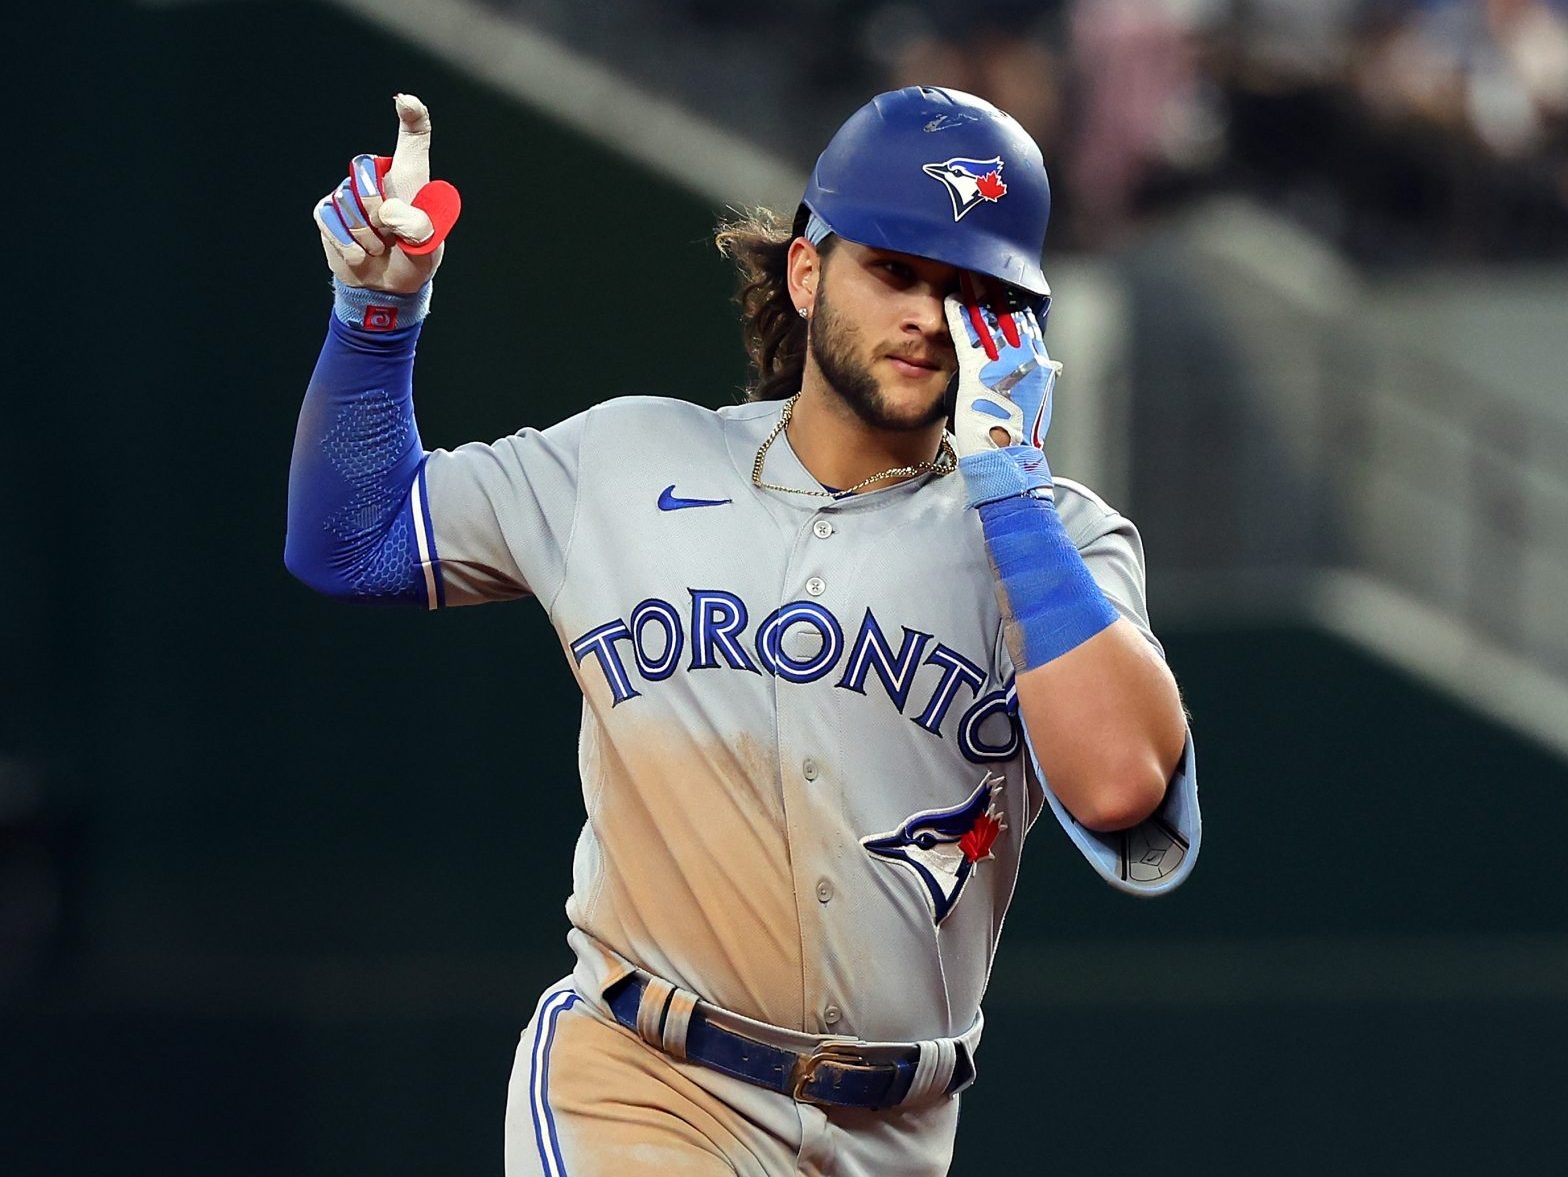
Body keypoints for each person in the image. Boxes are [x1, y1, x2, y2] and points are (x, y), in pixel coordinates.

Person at [288, 85, 1201, 1177]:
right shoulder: (628, 463)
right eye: (896, 272)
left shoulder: (1056, 543)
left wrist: (1009, 485)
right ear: (807, 273)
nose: (927, 316)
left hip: (895, 1131)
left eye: (971, 293)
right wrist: (375, 321)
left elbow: (1117, 788)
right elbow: (358, 540)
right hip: (642, 1082)